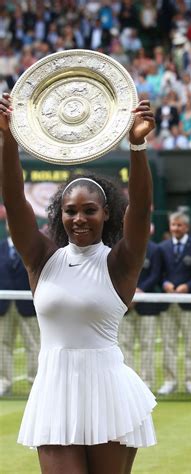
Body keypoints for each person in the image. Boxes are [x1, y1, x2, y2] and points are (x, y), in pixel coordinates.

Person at [1, 92, 156, 472]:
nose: (79, 219)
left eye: (90, 210)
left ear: (107, 215)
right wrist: (8, 140)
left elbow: (141, 207)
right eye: (70, 211)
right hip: (54, 391)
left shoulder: (120, 262)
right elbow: (14, 198)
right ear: (59, 214)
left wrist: (137, 145)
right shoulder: (41, 257)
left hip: (108, 391)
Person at [156, 211, 191, 395]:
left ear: (186, 227)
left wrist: (188, 286)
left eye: (179, 225)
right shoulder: (162, 247)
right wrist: (165, 284)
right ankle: (170, 380)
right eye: (173, 225)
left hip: (188, 302)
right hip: (168, 303)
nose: (176, 228)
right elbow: (159, 274)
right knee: (169, 343)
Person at [0, 221, 40, 396]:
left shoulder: (32, 248)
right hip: (4, 306)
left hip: (28, 306)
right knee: (3, 345)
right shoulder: (0, 248)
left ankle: (34, 384)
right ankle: (4, 383)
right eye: (9, 222)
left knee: (33, 346)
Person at [119, 238, 161, 392]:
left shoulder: (155, 250)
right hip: (124, 306)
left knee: (147, 345)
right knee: (125, 346)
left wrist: (140, 291)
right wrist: (129, 293)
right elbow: (118, 273)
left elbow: (156, 274)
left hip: (148, 307)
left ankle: (147, 382)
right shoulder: (120, 247)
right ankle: (126, 384)